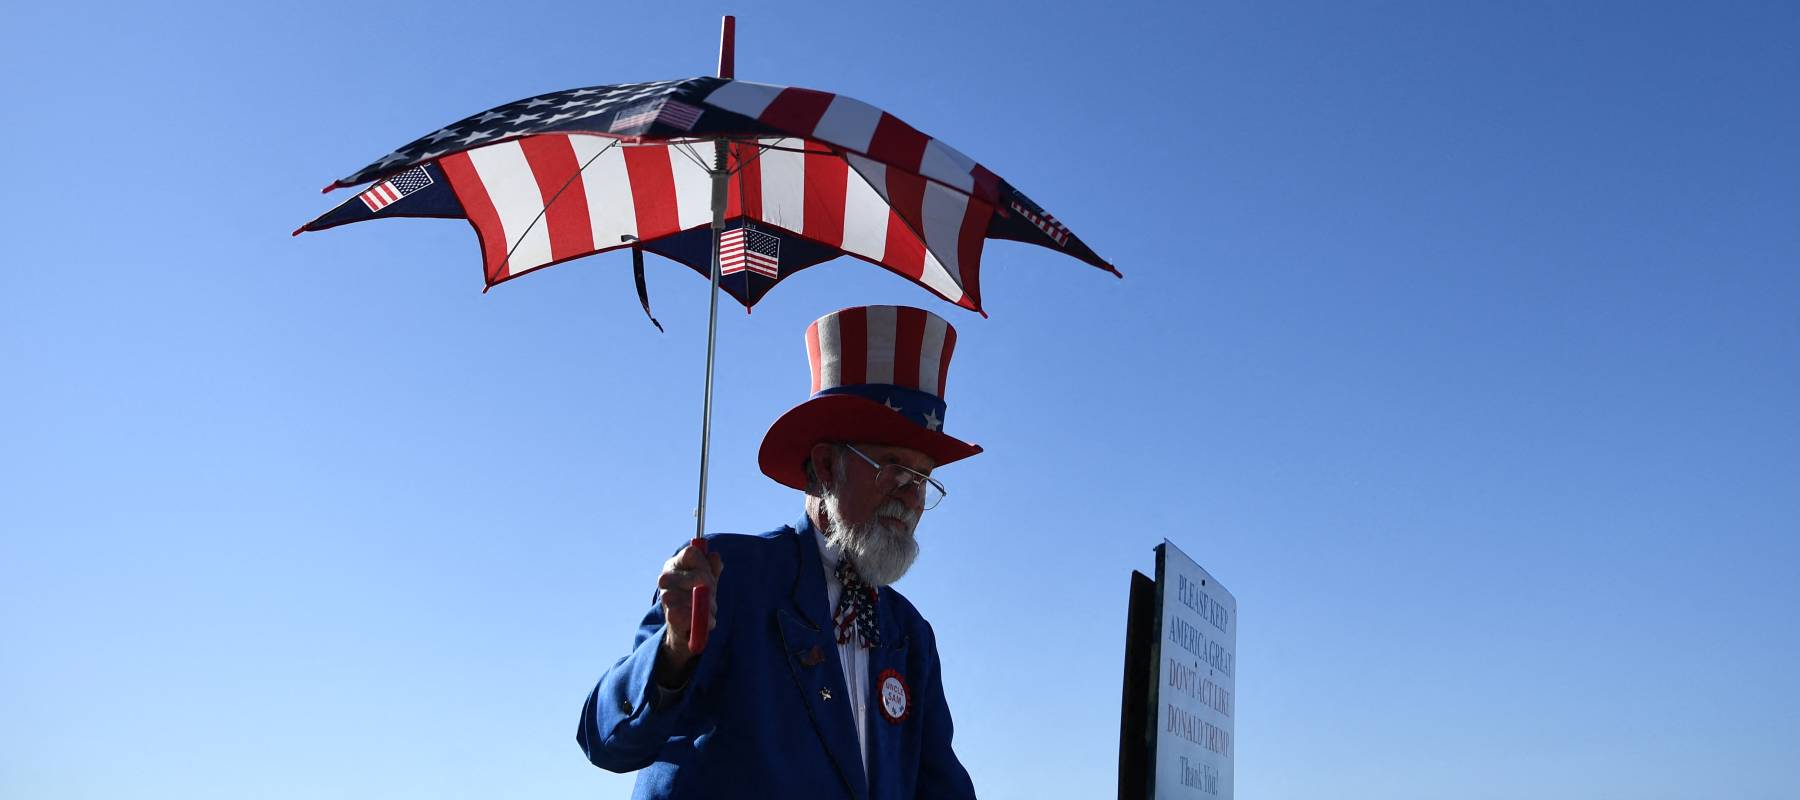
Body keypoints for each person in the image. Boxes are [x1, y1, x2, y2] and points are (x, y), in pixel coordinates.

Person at [578, 305, 983, 799]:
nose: (910, 494)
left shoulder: (910, 636)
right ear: (826, 466)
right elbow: (607, 741)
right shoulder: (728, 577)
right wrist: (674, 653)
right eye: (893, 466)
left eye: (922, 478)